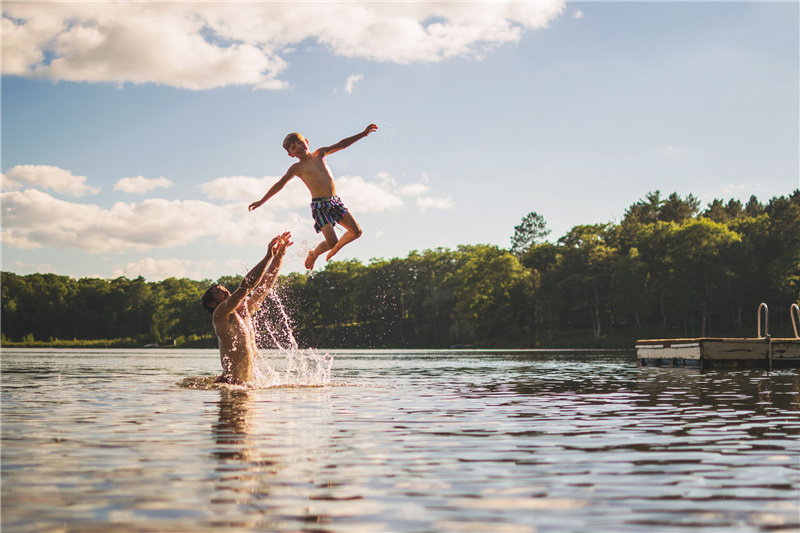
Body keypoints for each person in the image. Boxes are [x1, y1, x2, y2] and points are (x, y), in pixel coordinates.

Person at [249, 124, 378, 269]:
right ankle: (314, 254)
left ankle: (335, 249)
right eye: (293, 147)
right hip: (320, 207)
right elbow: (279, 185)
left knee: (357, 232)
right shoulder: (296, 168)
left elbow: (341, 144)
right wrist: (261, 201)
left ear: (307, 142)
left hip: (335, 201)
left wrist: (362, 134)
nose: (297, 146)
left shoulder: (320, 154)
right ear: (291, 155)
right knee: (331, 241)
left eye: (299, 142)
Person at [201, 232, 292, 385]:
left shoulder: (243, 312)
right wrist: (267, 257)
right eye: (219, 292)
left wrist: (278, 258)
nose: (225, 291)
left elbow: (265, 286)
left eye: (224, 288)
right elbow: (245, 287)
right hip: (231, 383)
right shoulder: (220, 314)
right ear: (212, 303)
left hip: (245, 384)